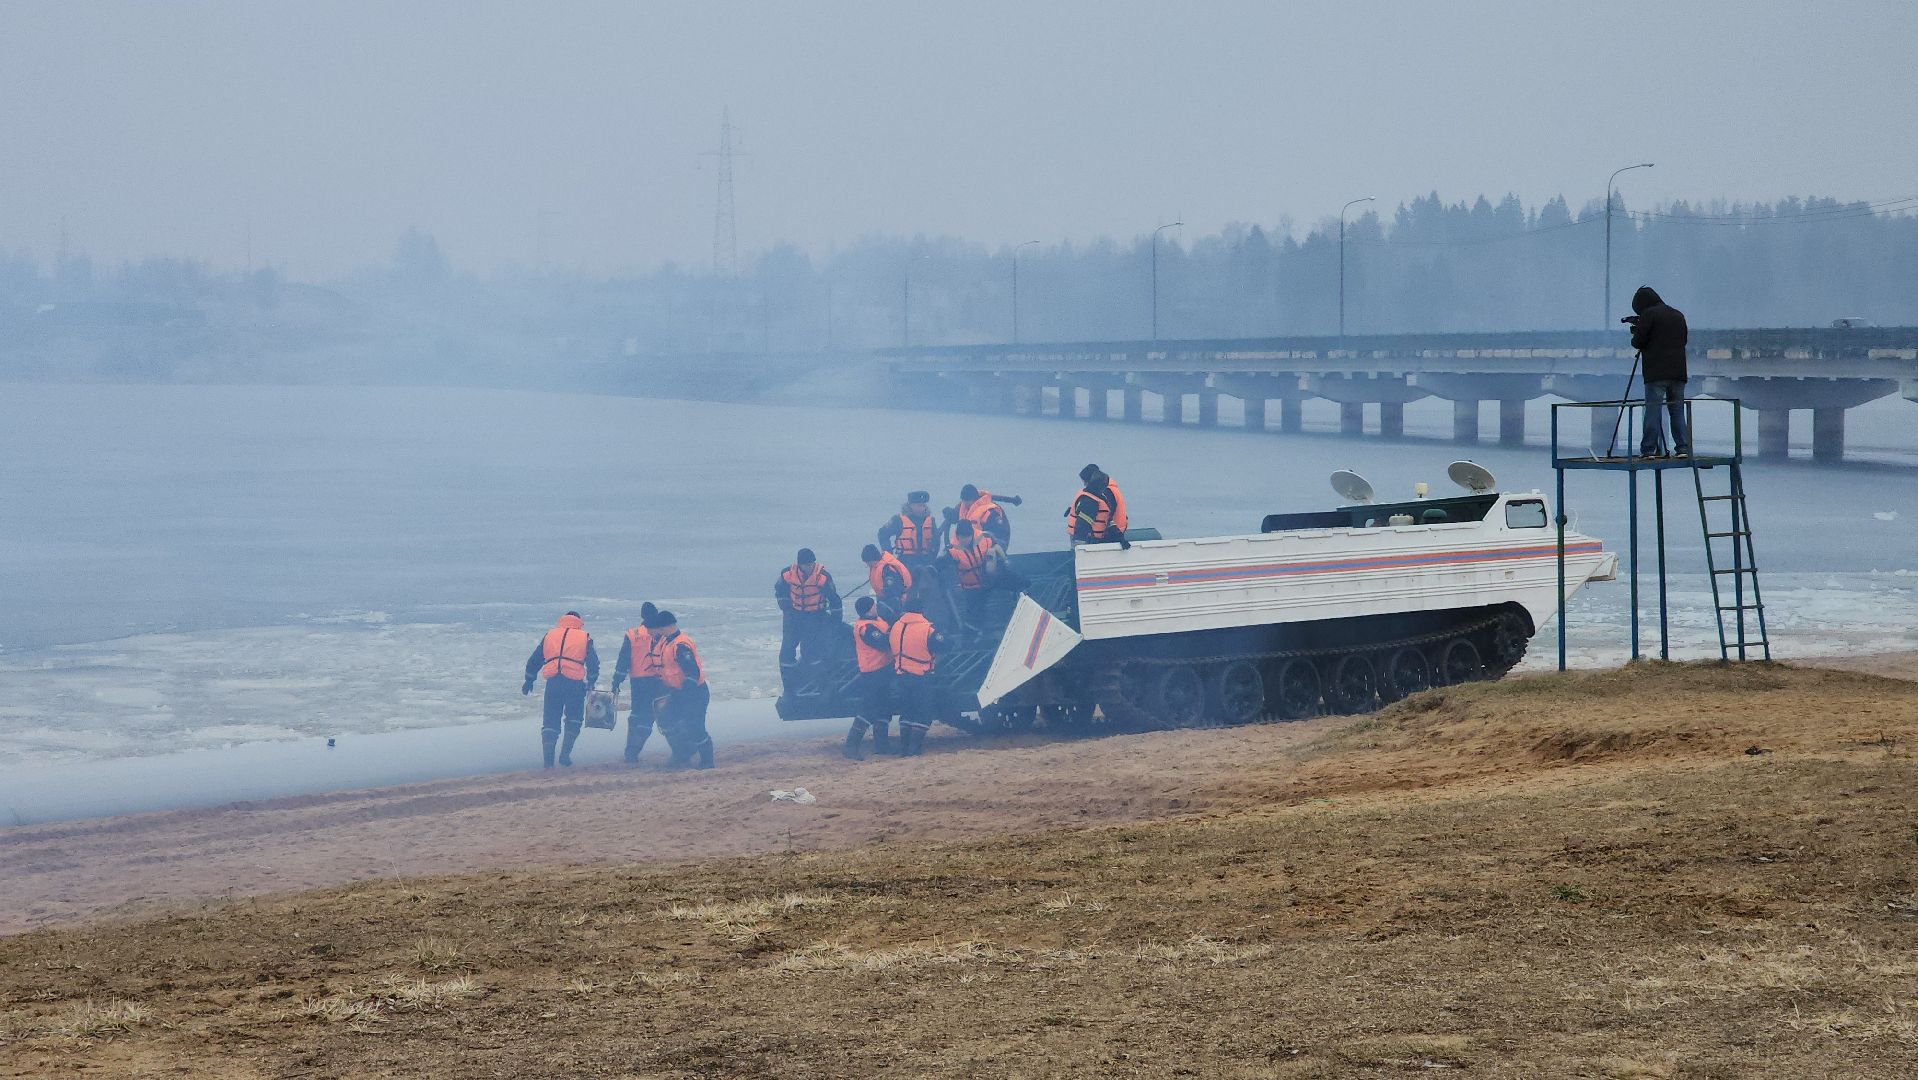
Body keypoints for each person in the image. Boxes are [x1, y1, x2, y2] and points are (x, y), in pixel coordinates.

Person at [521, 611, 600, 769]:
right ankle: (564, 756)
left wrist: (529, 680)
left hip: (553, 682)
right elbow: (593, 662)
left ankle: (548, 762)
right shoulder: (584, 637)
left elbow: (534, 660)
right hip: (574, 683)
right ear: (579, 621)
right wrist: (591, 682)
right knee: (574, 719)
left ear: (562, 621)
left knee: (550, 721)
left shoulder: (550, 635)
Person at [1628, 286, 1691, 458]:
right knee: (1677, 410)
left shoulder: (1649, 315)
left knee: (1653, 410)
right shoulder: (1678, 315)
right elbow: (1683, 340)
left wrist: (1637, 331)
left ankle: (1648, 449)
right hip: (1678, 373)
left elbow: (1638, 342)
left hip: (1656, 374)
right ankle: (1683, 448)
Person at [650, 610, 713, 769]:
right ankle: (682, 753)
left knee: (695, 726)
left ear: (671, 626)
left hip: (695, 692)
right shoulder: (667, 642)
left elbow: (692, 672)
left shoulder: (681, 645)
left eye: (662, 629)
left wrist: (687, 692)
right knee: (665, 720)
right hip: (677, 692)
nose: (660, 632)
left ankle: (707, 761)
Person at [610, 602, 669, 765]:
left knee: (639, 718)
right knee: (666, 715)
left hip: (639, 682)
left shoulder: (632, 634)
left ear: (642, 616)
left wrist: (616, 681)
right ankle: (681, 751)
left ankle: (631, 753)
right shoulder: (662, 633)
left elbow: (624, 660)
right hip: (661, 680)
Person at [776, 548, 842, 693]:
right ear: (799, 565)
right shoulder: (787, 574)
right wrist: (785, 606)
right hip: (793, 616)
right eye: (806, 565)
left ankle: (822, 686)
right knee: (786, 653)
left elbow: (835, 600)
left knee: (812, 653)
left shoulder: (823, 577)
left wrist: (836, 622)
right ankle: (791, 687)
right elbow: (779, 590)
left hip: (814, 617)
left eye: (812, 564)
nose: (809, 567)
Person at [887, 600, 947, 756]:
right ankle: (914, 748)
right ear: (922, 610)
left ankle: (904, 748)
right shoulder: (927, 629)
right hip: (921, 676)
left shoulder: (896, 627)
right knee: (923, 713)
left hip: (901, 675)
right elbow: (945, 645)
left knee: (907, 712)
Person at [844, 596, 895, 759]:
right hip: (873, 672)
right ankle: (851, 747)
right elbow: (883, 643)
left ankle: (882, 746)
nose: (876, 607)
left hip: (884, 670)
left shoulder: (876, 621)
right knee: (868, 709)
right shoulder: (865, 628)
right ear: (868, 609)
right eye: (873, 606)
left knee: (883, 708)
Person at [945, 519, 1003, 635]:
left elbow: (997, 548)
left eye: (968, 536)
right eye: (962, 537)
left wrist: (1003, 562)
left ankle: (1023, 593)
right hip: (970, 587)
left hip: (989, 581)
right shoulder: (951, 551)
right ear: (958, 536)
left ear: (972, 534)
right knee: (974, 612)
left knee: (1014, 581)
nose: (965, 540)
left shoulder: (985, 538)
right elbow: (945, 566)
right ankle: (972, 635)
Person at [1065, 463, 1130, 549]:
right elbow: (1083, 526)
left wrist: (1079, 550)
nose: (1084, 484)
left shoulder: (1097, 498)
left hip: (1095, 538)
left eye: (1085, 481)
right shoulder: (1095, 498)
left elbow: (1106, 518)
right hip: (1090, 538)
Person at [877, 491, 940, 575]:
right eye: (919, 505)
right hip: (905, 561)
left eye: (923, 505)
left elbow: (936, 540)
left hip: (927, 560)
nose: (922, 508)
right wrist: (888, 553)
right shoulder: (898, 520)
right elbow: (883, 533)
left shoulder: (931, 521)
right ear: (911, 506)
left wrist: (932, 555)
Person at [957, 484, 1022, 548]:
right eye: (963, 500)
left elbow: (999, 534)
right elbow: (957, 516)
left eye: (966, 501)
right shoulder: (965, 508)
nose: (964, 503)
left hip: (993, 544)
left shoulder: (990, 512)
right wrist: (950, 513)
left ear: (974, 499)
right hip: (971, 544)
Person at [861, 543, 913, 618]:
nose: (867, 565)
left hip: (892, 601)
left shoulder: (887, 569)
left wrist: (884, 607)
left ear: (873, 559)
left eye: (868, 562)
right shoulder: (877, 566)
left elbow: (893, 590)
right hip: (883, 598)